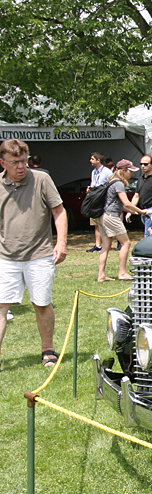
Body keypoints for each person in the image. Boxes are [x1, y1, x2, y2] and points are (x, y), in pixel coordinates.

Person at [0, 138, 68, 369]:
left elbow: (59, 211)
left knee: (41, 303)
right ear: (3, 163)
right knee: (1, 306)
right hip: (5, 256)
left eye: (24, 161)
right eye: (15, 162)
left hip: (39, 255)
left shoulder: (41, 179)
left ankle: (47, 350)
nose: (21, 166)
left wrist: (61, 243)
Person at [97, 159, 146, 282]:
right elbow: (126, 202)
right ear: (124, 171)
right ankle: (122, 273)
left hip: (103, 215)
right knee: (126, 243)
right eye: (130, 171)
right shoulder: (118, 183)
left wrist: (131, 211)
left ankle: (101, 275)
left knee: (106, 246)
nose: (131, 174)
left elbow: (119, 204)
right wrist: (141, 211)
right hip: (112, 217)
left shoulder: (111, 181)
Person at [87, 151, 112, 252]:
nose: (90, 161)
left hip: (103, 200)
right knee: (96, 223)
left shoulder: (107, 171)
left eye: (92, 159)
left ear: (98, 160)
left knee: (106, 223)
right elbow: (94, 184)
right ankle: (98, 245)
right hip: (95, 199)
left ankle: (114, 243)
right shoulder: (94, 172)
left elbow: (110, 185)